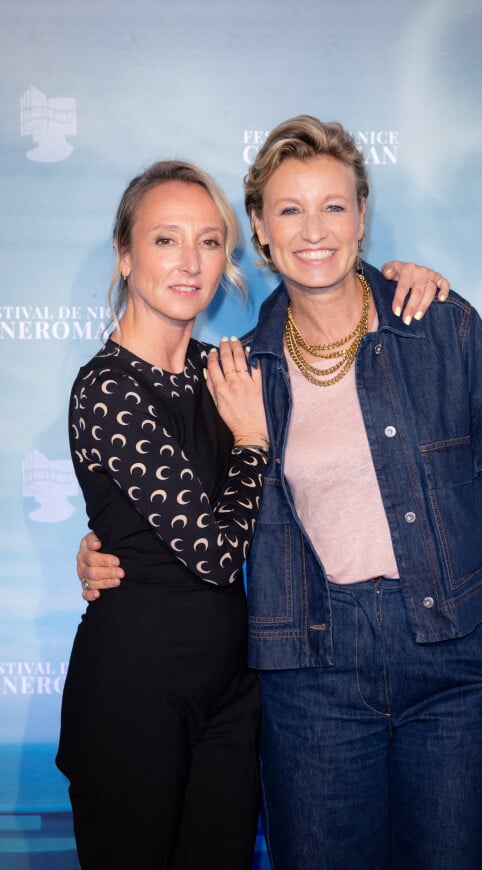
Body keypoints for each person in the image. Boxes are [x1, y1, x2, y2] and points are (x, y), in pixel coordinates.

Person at [75, 114, 482, 870]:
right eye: (290, 210)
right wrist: (106, 548)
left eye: (334, 206)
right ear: (263, 233)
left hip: (450, 657)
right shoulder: (240, 372)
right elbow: (175, 507)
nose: (315, 230)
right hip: (311, 670)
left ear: (362, 216)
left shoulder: (440, 326)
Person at [56, 160, 272, 870]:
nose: (190, 262)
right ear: (125, 254)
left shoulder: (226, 371)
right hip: (134, 688)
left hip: (231, 688)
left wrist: (396, 280)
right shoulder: (106, 388)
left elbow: (326, 328)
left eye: (210, 242)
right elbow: (213, 554)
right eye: (165, 240)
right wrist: (251, 445)